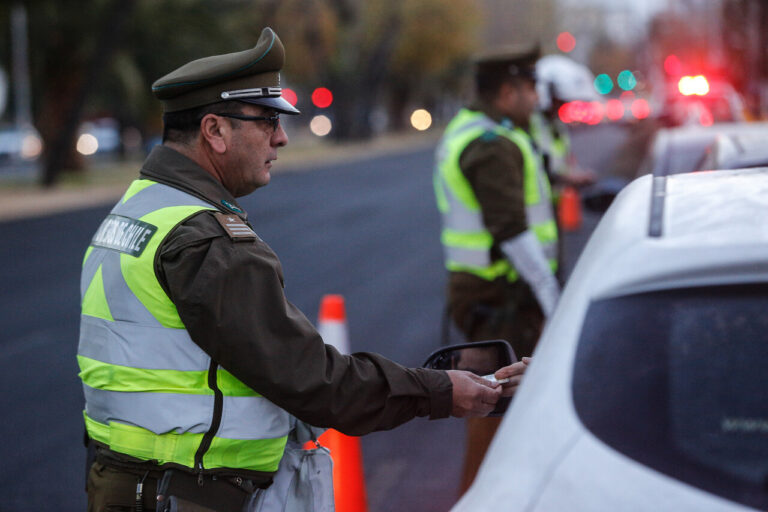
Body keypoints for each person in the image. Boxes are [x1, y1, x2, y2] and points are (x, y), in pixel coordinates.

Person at [78, 27, 524, 511]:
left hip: (127, 485)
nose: (282, 137)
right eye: (268, 121)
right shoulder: (207, 242)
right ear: (215, 130)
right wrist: (440, 391)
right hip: (186, 494)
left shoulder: (140, 207)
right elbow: (314, 381)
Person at [433, 45, 558, 494]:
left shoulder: (481, 131)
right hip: (501, 298)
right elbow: (510, 228)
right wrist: (553, 299)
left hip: (492, 293)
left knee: (505, 406)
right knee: (496, 407)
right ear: (507, 93)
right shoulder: (491, 144)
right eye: (530, 89)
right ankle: (479, 498)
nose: (537, 99)